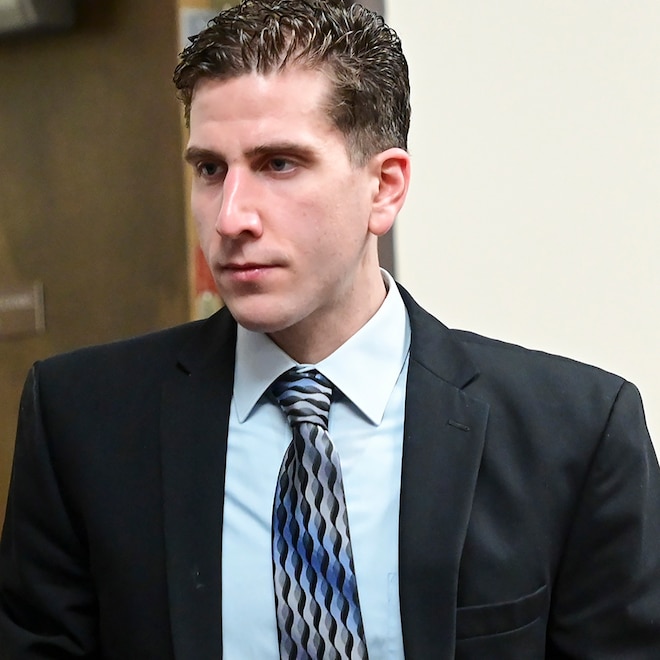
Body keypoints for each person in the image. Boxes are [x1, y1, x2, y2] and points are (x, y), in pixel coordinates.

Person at [1, 0, 660, 657]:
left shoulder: (576, 434)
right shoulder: (82, 421)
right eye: (210, 170)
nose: (230, 218)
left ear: (385, 188)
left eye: (279, 164)